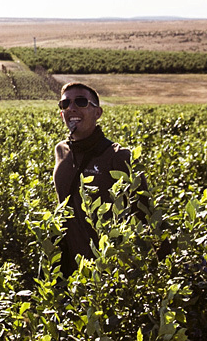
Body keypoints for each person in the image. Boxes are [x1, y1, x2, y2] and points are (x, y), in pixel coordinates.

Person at [52, 82, 133, 276]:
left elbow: (143, 214)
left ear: (98, 113)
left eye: (81, 102)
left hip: (108, 269)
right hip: (69, 267)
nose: (72, 108)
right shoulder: (61, 150)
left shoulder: (118, 156)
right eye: (65, 104)